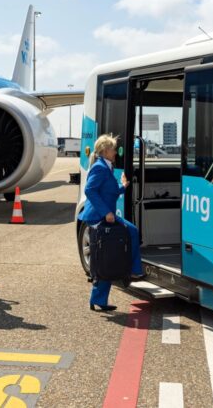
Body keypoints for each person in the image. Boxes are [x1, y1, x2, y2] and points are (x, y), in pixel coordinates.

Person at [80, 134, 144, 312]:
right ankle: (133, 270)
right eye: (114, 149)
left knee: (107, 257)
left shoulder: (107, 166)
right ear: (105, 151)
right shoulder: (100, 167)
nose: (116, 152)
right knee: (130, 233)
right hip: (100, 217)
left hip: (106, 215)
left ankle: (99, 299)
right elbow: (90, 190)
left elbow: (110, 192)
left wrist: (123, 186)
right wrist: (106, 212)